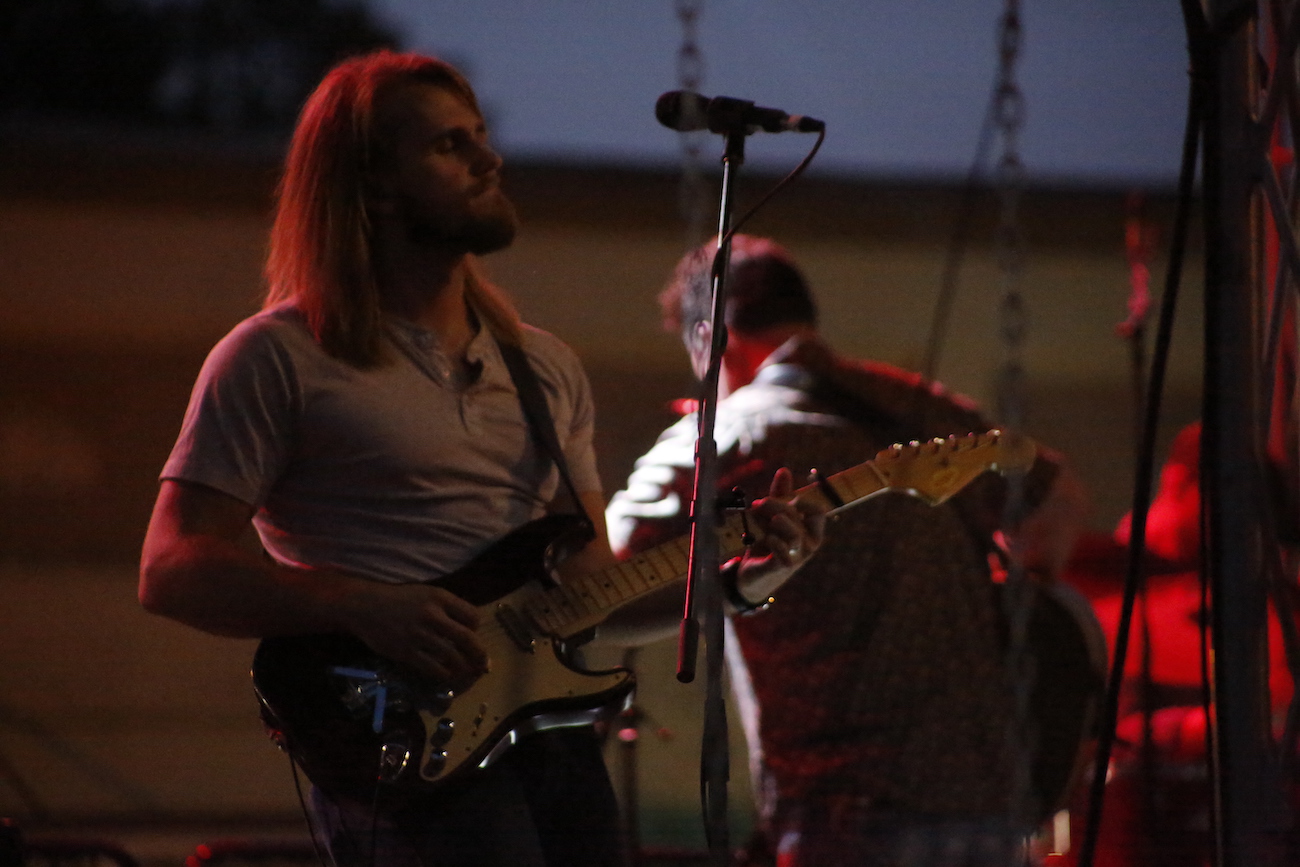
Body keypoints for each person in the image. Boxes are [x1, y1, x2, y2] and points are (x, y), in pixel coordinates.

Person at [137, 52, 824, 867]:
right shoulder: (275, 357)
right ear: (374, 184)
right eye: (448, 147)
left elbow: (590, 596)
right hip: (401, 744)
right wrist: (360, 602)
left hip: (552, 747)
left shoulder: (543, 368)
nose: (488, 159)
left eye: (482, 137)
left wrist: (743, 578)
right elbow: (172, 567)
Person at [606, 235, 1091, 867]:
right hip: (986, 801)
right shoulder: (916, 406)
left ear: (709, 339)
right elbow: (1061, 500)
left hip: (843, 810)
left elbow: (605, 568)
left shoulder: (731, 429)